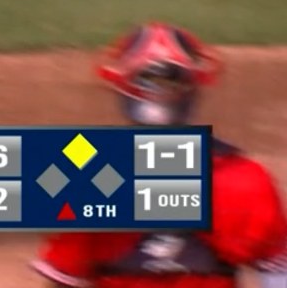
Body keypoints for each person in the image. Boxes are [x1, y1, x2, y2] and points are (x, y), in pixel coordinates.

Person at [31, 22, 287, 288]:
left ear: (124, 91)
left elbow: (63, 279)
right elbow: (280, 273)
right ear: (193, 92)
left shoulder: (83, 174)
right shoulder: (246, 179)